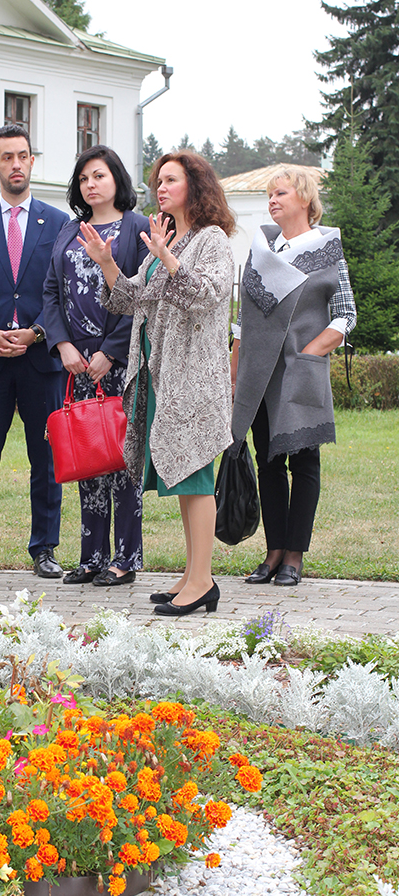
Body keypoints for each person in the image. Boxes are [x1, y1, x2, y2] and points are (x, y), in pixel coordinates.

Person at [80, 151, 235, 615]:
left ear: (195, 186)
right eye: (158, 181)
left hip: (194, 381)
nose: (160, 188)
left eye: (170, 180)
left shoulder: (212, 239)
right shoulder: (169, 238)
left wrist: (166, 256)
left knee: (196, 478)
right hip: (160, 378)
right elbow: (132, 299)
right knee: (184, 479)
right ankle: (193, 575)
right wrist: (107, 263)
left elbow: (206, 296)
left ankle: (202, 582)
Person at [231, 165, 357, 587]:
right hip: (260, 374)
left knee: (304, 461)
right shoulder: (261, 250)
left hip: (301, 370)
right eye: (269, 194)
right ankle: (273, 552)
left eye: (281, 193)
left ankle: (294, 556)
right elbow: (243, 319)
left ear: (305, 199)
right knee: (268, 461)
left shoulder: (327, 250)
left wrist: (309, 352)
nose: (272, 200)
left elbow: (346, 314)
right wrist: (235, 371)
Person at [0, 124, 68, 578]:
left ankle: (45, 547)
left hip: (41, 362)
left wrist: (38, 332)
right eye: (7, 157)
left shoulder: (58, 222)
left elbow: (63, 293)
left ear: (32, 161)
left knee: (47, 459)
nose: (16, 164)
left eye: (23, 155)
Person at [43, 145, 148, 586]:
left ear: (117, 179)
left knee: (122, 461)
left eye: (99, 175)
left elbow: (142, 295)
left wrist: (112, 351)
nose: (91, 184)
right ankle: (91, 558)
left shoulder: (138, 227)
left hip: (120, 362)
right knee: (88, 460)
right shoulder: (69, 230)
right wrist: (63, 345)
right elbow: (50, 292)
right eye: (84, 178)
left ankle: (124, 560)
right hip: (77, 364)